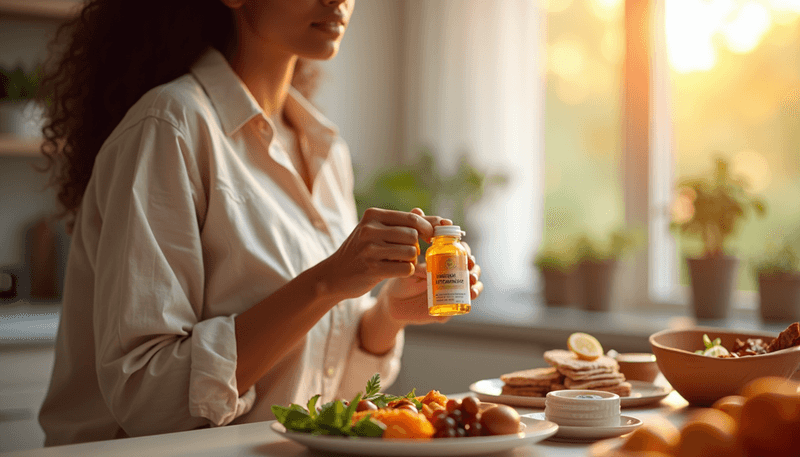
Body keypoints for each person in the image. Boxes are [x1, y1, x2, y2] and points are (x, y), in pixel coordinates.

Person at [36, 0, 484, 446]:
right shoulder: (169, 127)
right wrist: (325, 282)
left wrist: (387, 314)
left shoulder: (324, 149)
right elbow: (151, 400)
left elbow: (322, 398)